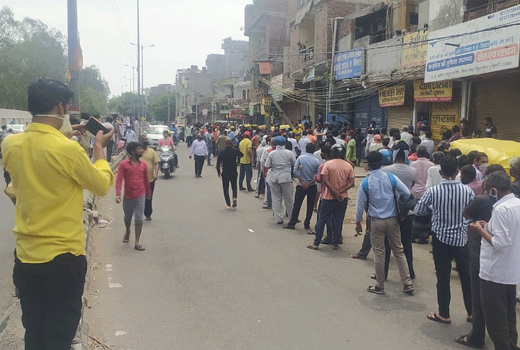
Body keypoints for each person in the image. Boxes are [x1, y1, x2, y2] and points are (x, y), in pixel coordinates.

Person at [2, 78, 114, 349]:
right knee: (59, 336)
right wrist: (99, 149)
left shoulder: (10, 145)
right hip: (63, 258)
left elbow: (38, 149)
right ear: (60, 107)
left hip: (27, 258)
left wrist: (66, 135)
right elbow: (100, 185)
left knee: (35, 331)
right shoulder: (68, 151)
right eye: (66, 106)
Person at [415, 157, 474, 324]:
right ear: (457, 172)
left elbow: (419, 210)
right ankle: (471, 313)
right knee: (466, 276)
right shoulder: (467, 191)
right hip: (461, 239)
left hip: (441, 239)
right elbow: (471, 214)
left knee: (443, 276)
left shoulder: (433, 191)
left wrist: (435, 208)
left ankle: (444, 313)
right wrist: (463, 225)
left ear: (440, 173)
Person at [455, 165, 505, 349]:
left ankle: (477, 335)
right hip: (505, 256)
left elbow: (466, 214)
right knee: (502, 298)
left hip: (480, 249)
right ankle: (505, 337)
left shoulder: (482, 200)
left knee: (478, 294)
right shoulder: (512, 202)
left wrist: (479, 227)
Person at [470, 171, 520, 350]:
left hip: (494, 273)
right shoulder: (516, 204)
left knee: (495, 320)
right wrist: (488, 227)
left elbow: (500, 243)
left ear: (493, 190)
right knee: (508, 316)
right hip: (510, 271)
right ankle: (511, 345)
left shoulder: (500, 209)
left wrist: (479, 230)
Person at [355, 152, 414, 294]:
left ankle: (379, 285)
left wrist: (358, 222)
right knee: (399, 250)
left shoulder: (366, 182)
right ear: (381, 163)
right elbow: (406, 192)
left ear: (368, 165)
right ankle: (407, 282)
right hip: (393, 219)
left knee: (379, 253)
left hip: (376, 221)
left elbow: (359, 205)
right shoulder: (391, 178)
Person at [307, 144, 354, 250]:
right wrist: (340, 192)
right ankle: (335, 242)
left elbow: (325, 180)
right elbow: (351, 183)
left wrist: (333, 191)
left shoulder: (328, 164)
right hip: (342, 198)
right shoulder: (348, 166)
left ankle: (316, 243)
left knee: (322, 220)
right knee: (338, 220)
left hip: (328, 197)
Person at [116, 142, 151, 251]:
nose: (141, 151)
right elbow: (119, 180)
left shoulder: (143, 165)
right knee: (127, 217)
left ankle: (137, 241)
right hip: (128, 196)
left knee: (139, 219)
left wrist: (148, 193)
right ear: (132, 151)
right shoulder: (123, 164)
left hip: (140, 194)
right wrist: (118, 194)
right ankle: (127, 230)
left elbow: (146, 180)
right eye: (139, 149)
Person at [284, 143, 321, 230]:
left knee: (297, 204)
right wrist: (309, 183)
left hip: (301, 185)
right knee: (310, 205)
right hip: (312, 186)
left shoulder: (301, 158)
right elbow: (317, 175)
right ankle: (307, 223)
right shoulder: (316, 161)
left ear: (305, 148)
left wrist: (302, 182)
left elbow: (295, 171)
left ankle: (292, 222)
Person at [265, 136, 296, 224]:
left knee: (276, 199)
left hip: (274, 177)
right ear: (285, 144)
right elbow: (295, 163)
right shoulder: (289, 153)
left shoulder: (272, 154)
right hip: (286, 177)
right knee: (289, 199)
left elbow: (267, 165)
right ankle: (291, 218)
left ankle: (279, 218)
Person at [217, 139, 243, 209]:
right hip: (233, 171)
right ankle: (234, 197)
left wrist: (218, 171)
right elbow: (241, 154)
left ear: (225, 144)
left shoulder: (222, 152)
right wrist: (235, 148)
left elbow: (218, 162)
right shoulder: (234, 151)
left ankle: (228, 203)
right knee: (234, 186)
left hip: (225, 171)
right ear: (232, 144)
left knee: (225, 188)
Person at [141, 135, 160, 221]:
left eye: (146, 141)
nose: (145, 142)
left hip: (150, 179)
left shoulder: (152, 151)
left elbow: (157, 163)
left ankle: (148, 213)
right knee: (140, 197)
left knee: (149, 197)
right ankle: (139, 213)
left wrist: (156, 173)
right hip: (139, 179)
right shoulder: (137, 152)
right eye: (144, 141)